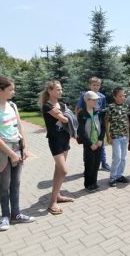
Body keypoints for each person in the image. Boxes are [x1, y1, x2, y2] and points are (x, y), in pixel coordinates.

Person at [0, 76, 35, 231]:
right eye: (10, 90)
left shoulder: (13, 105)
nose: (13, 92)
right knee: (5, 184)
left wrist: (25, 147)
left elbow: (20, 127)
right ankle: (5, 216)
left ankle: (16, 213)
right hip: (3, 153)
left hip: (17, 149)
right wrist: (11, 154)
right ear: (0, 90)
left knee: (16, 182)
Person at [39, 80, 74, 215]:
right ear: (50, 91)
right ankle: (51, 203)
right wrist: (66, 115)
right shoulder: (47, 106)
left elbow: (66, 116)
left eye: (61, 89)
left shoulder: (61, 104)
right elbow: (65, 119)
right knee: (64, 170)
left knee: (58, 170)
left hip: (65, 138)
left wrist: (65, 114)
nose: (61, 91)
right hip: (55, 141)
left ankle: (58, 196)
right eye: (58, 89)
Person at [75, 77, 110, 171]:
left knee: (100, 144)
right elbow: (78, 110)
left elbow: (103, 111)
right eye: (94, 85)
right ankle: (87, 166)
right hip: (87, 125)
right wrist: (79, 125)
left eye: (98, 85)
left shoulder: (102, 97)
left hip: (97, 124)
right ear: (90, 85)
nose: (96, 87)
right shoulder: (85, 96)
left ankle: (104, 163)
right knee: (87, 146)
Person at [77, 91, 105, 192]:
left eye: (96, 100)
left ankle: (94, 183)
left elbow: (103, 127)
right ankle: (88, 184)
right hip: (89, 144)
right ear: (87, 100)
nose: (96, 102)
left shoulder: (99, 112)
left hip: (98, 143)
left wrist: (101, 139)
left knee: (96, 163)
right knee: (89, 164)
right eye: (94, 100)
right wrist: (90, 144)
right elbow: (81, 131)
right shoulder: (82, 113)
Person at [106, 87, 130, 187]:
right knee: (117, 158)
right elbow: (106, 122)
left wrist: (129, 133)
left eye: (124, 95)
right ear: (115, 97)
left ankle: (119, 175)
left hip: (124, 136)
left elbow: (127, 120)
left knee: (123, 158)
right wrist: (108, 136)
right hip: (115, 137)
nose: (123, 97)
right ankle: (112, 177)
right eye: (120, 96)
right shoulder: (111, 107)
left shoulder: (125, 106)